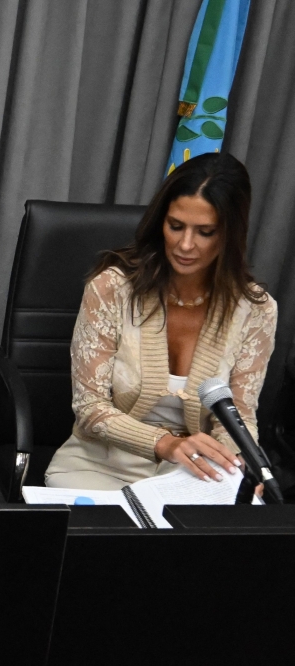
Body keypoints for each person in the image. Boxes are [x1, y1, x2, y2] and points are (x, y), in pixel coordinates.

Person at [45, 153, 277, 490]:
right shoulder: (112, 288)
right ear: (160, 222)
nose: (185, 244)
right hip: (101, 462)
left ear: (230, 234)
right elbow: (89, 407)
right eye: (176, 226)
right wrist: (166, 445)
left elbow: (239, 418)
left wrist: (234, 463)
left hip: (194, 470)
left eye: (206, 232)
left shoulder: (256, 310)